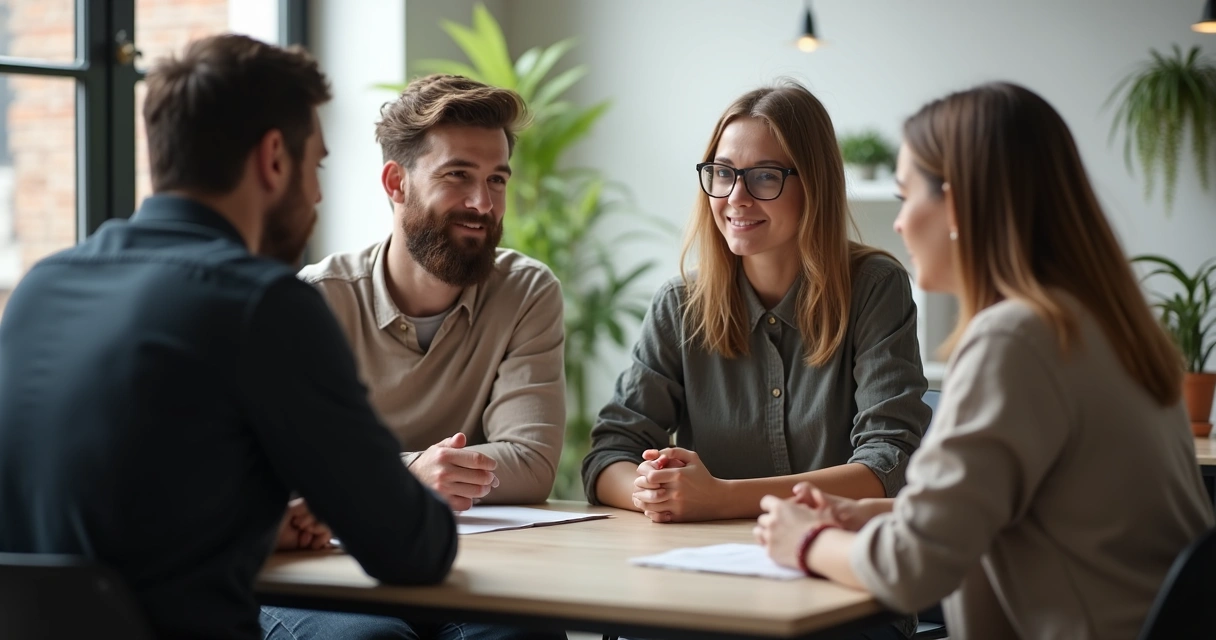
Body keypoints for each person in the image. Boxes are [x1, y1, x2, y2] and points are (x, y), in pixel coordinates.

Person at [0, 34, 457, 640]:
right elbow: (411, 547)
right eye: (315, 165)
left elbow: (87, 524)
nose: (318, 194)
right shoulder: (262, 304)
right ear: (273, 158)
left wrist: (257, 526)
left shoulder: (42, 287)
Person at [755, 82, 1216, 640]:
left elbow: (912, 570)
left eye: (906, 198)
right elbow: (1023, 515)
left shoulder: (1016, 341)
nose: (899, 225)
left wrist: (803, 541)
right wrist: (862, 515)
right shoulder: (1109, 326)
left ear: (957, 202)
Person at [259, 74, 567, 640]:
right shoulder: (316, 299)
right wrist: (413, 476)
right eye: (458, 176)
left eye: (497, 180)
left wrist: (378, 478)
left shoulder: (526, 291)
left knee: (519, 637)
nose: (483, 204)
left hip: (467, 568)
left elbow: (531, 464)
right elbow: (285, 475)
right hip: (328, 574)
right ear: (396, 182)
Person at [582, 81, 929, 526]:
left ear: (814, 184)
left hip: (830, 559)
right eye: (723, 173)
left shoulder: (874, 288)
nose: (735, 197)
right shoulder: (680, 304)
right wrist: (658, 493)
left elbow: (888, 463)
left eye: (765, 175)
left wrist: (723, 499)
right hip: (702, 561)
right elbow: (609, 455)